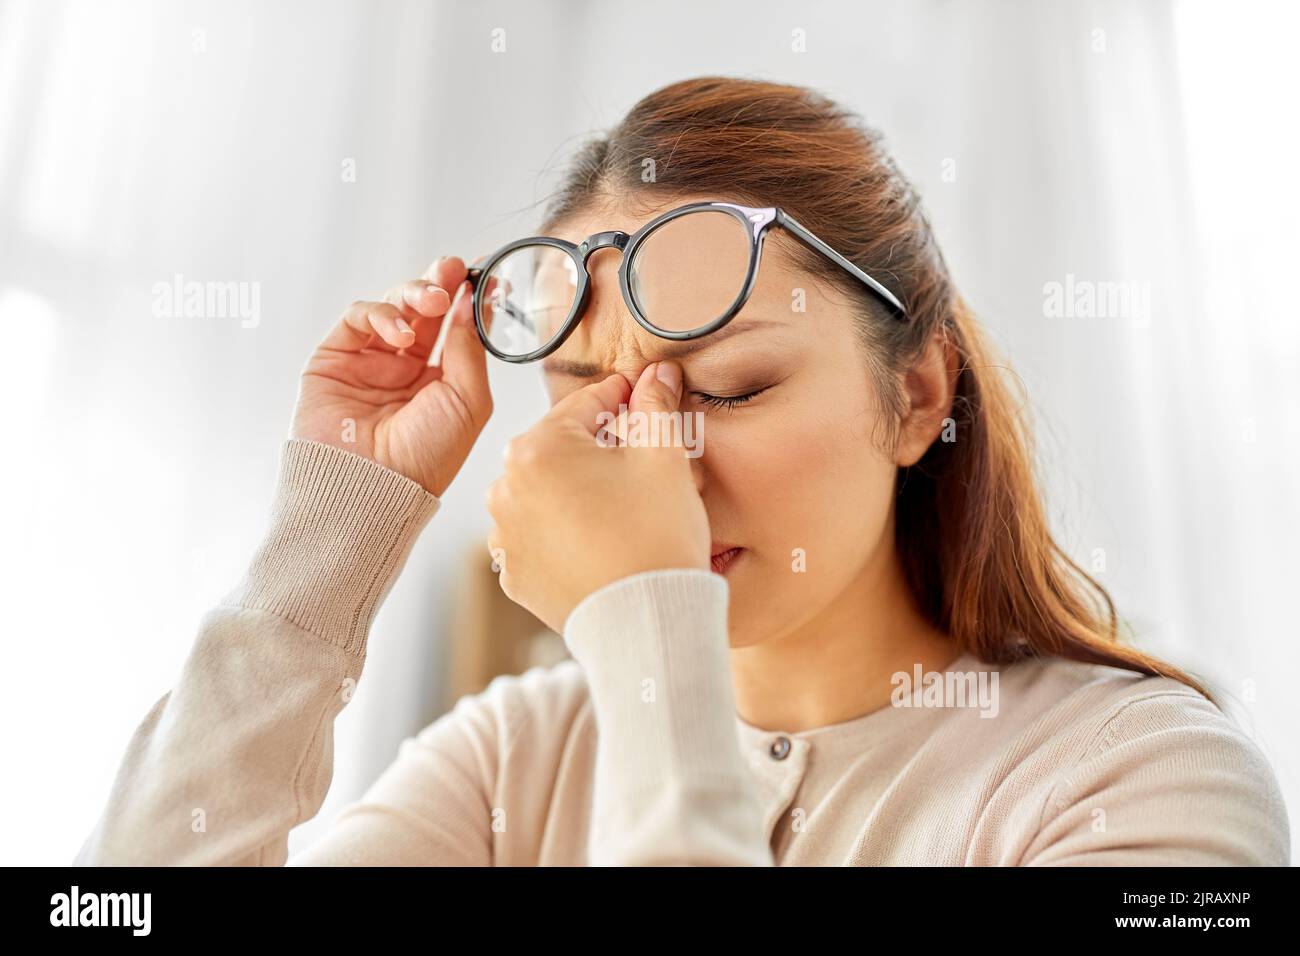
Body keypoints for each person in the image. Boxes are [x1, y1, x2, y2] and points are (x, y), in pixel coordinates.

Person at [74, 76, 1289, 866]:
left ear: (918, 393)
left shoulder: (1140, 778)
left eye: (725, 389)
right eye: (580, 392)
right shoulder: (519, 755)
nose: (647, 454)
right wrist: (331, 529)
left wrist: (648, 630)